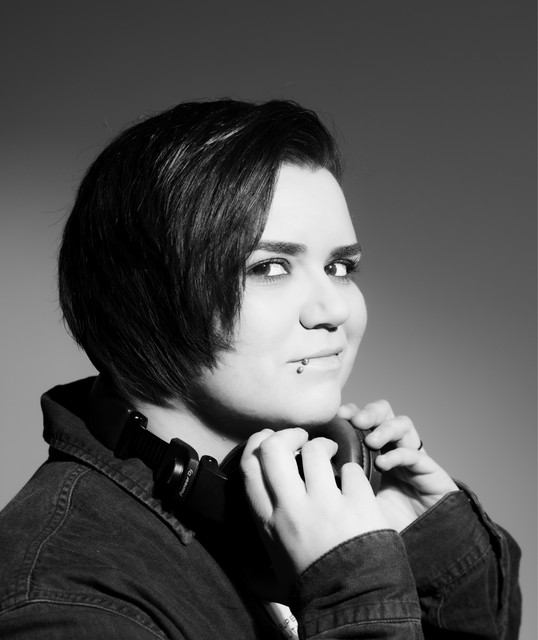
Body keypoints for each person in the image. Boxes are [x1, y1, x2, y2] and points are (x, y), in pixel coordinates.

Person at [0, 99, 521, 639]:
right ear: (142, 300)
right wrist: (356, 593)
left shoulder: (293, 526)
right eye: (270, 267)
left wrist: (435, 560)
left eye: (340, 266)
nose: (335, 308)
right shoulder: (65, 605)